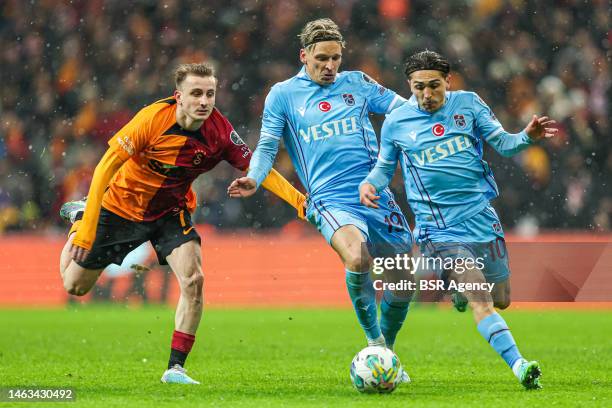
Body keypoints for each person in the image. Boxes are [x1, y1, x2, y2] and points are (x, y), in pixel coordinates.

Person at [59, 62, 306, 384]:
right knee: (74, 286)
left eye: (210, 94)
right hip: (119, 208)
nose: (204, 101)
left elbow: (259, 166)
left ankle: (175, 368)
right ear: (179, 96)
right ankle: (78, 218)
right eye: (196, 94)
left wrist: (299, 201)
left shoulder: (219, 132)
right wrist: (88, 226)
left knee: (194, 279)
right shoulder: (151, 119)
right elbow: (106, 167)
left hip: (169, 213)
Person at [360, 50, 557, 390]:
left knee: (501, 299)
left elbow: (504, 144)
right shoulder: (397, 121)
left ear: (447, 82)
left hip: (481, 219)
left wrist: (527, 137)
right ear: (409, 85)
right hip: (438, 230)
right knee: (480, 296)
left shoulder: (468, 105)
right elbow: (383, 167)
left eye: (433, 86)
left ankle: (459, 292)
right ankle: (520, 365)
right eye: (418, 87)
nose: (426, 94)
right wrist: (369, 184)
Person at [227, 18, 414, 370]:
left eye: (336, 58)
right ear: (304, 55)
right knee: (358, 258)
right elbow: (267, 146)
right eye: (321, 59)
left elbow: (403, 110)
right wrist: (254, 177)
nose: (330, 66)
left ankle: (384, 354)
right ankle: (373, 342)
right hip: (329, 198)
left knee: (404, 281)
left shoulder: (357, 83)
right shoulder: (283, 95)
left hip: (375, 194)